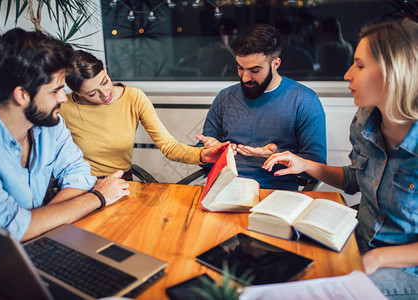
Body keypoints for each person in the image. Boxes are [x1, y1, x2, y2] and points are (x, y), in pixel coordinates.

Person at [263, 19, 418, 299]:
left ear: (394, 72)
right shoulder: (364, 121)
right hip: (356, 241)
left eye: (359, 65)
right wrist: (307, 165)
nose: (348, 74)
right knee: (276, 260)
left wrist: (380, 258)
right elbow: (356, 179)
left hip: (406, 269)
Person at [0, 28, 130, 242]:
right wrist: (98, 197)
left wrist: (39, 222)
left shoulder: (47, 123)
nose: (63, 99)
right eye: (55, 91)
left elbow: (78, 173)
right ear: (22, 95)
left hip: (29, 248)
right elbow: (10, 231)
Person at [196, 24, 327, 190]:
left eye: (254, 70)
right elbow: (202, 155)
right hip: (224, 188)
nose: (245, 78)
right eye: (240, 68)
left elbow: (318, 166)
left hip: (274, 192)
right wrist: (211, 153)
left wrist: (279, 158)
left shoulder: (304, 100)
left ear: (276, 63)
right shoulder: (225, 97)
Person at [60, 50, 227, 179]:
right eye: (92, 93)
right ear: (77, 93)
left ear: (105, 69)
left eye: (105, 82)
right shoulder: (62, 107)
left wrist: (202, 155)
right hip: (80, 186)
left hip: (121, 183)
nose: (105, 93)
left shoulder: (134, 97)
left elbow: (169, 147)